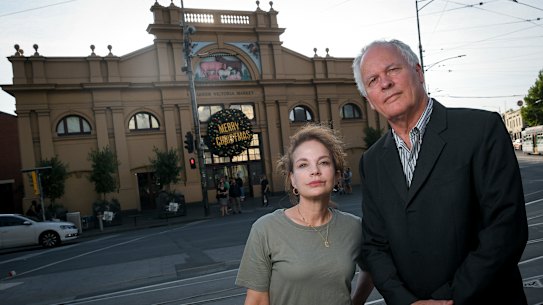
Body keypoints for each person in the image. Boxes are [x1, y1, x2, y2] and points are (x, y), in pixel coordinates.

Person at [352, 39, 528, 305]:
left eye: (393, 70)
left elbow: (506, 228)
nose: (385, 83)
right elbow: (375, 246)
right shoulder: (372, 161)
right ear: (369, 100)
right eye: (373, 80)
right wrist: (405, 301)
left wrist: (449, 299)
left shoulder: (480, 130)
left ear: (419, 73)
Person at [236, 124, 374, 305]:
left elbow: (371, 269)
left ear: (337, 176)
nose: (314, 170)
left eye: (323, 162)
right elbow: (256, 300)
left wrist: (357, 302)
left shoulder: (355, 227)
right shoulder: (265, 229)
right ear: (292, 179)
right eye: (303, 165)